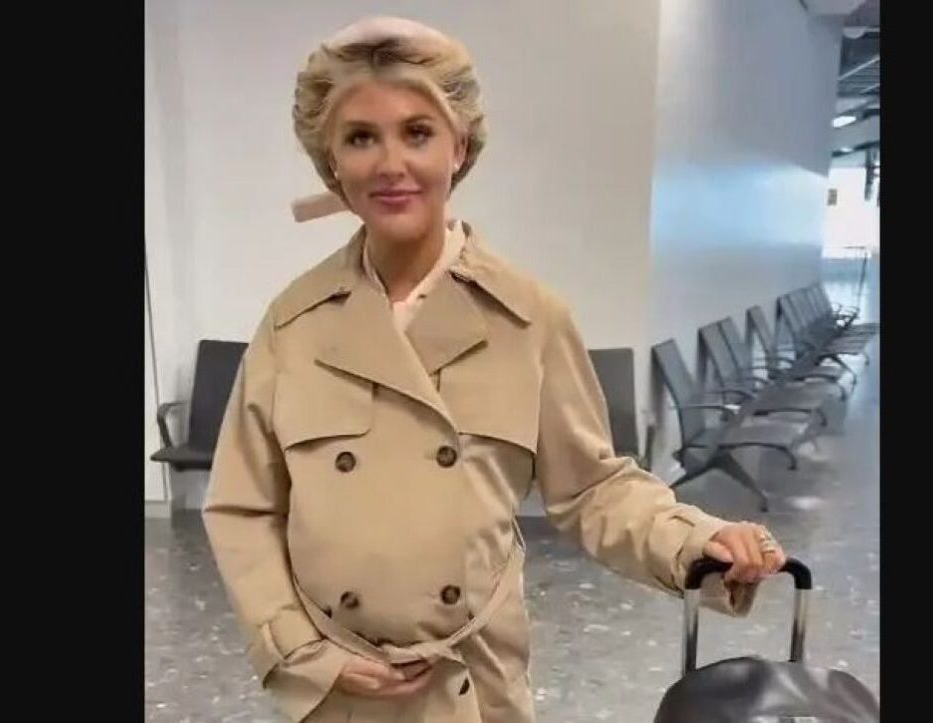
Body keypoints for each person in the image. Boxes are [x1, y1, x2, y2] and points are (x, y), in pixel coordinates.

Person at [202, 17, 786, 723]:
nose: (390, 164)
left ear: (459, 147)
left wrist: (693, 539)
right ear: (332, 162)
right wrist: (297, 648)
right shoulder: (292, 324)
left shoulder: (527, 318)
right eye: (360, 137)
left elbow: (593, 488)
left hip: (471, 686)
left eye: (417, 132)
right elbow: (243, 506)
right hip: (337, 691)